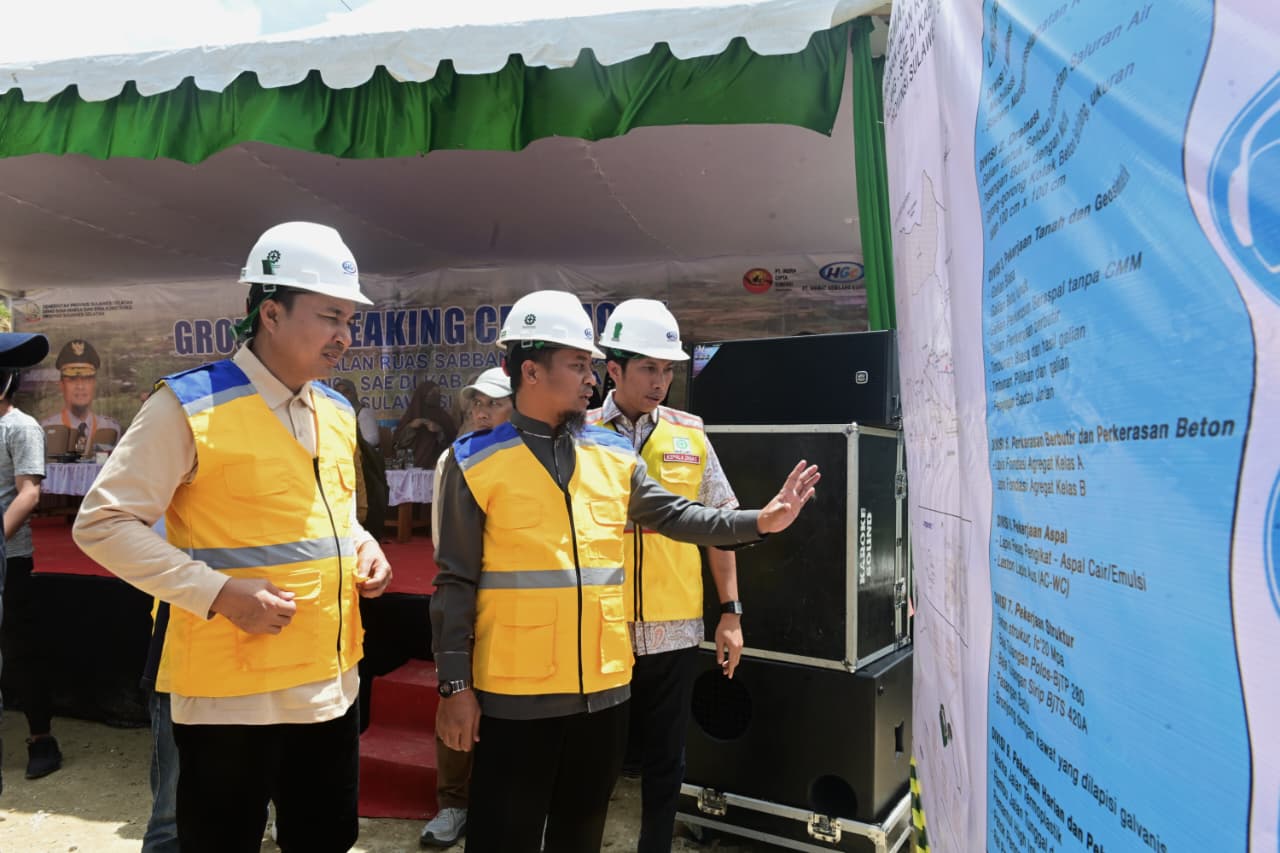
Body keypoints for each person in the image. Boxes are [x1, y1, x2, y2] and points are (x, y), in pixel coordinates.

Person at [430, 289, 820, 853]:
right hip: (516, 697)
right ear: (530, 371)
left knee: (581, 834)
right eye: (578, 365)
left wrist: (762, 520)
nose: (591, 379)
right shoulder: (474, 461)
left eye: (590, 365)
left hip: (603, 693)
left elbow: (680, 515)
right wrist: (455, 687)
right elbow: (454, 584)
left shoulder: (612, 455)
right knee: (505, 835)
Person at [73, 221, 393, 853]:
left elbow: (329, 517)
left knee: (326, 840)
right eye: (330, 316)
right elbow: (103, 523)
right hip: (230, 697)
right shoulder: (189, 406)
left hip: (329, 688)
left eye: (350, 320)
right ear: (270, 313)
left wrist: (363, 544)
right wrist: (217, 593)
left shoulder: (334, 411)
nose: (344, 336)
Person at [587, 299, 746, 852]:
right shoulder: (580, 434)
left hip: (674, 628)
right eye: (648, 368)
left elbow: (720, 526)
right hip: (598, 627)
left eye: (668, 369)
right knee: (594, 763)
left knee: (666, 762)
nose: (660, 382)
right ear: (614, 369)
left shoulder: (691, 435)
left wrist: (730, 613)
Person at [419, 366, 513, 849]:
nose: (481, 411)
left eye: (494, 403)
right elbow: (444, 541)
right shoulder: (455, 458)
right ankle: (453, 803)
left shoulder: (535, 458)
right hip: (466, 602)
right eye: (477, 402)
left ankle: (505, 805)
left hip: (519, 607)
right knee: (456, 696)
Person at [0, 366, 62, 781]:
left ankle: (42, 738)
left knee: (19, 650)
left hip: (9, 559)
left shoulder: (20, 427)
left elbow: (29, 493)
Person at [40, 339, 122, 456]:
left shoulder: (111, 428)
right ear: (61, 385)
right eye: (72, 379)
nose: (80, 386)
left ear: (94, 384)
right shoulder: (46, 429)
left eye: (87, 379)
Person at [333, 377, 388, 542]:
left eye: (346, 392)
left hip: (364, 462)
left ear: (354, 393)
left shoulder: (362, 412)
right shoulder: (332, 413)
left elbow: (372, 439)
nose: (343, 396)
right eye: (338, 392)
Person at [392, 381, 457, 469]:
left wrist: (440, 431)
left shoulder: (444, 417)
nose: (436, 395)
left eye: (438, 392)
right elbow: (397, 443)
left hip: (435, 466)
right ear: (422, 395)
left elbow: (452, 443)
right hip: (410, 466)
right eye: (432, 392)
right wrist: (411, 427)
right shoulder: (412, 414)